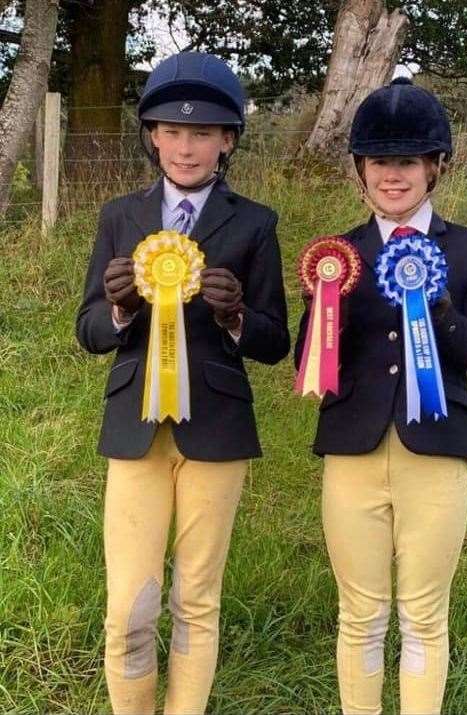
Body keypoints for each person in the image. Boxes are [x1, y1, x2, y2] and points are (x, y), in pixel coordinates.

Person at [76, 51, 289, 715]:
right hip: (133, 431)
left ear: (228, 140)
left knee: (197, 598)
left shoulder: (255, 223)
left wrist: (236, 317)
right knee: (130, 604)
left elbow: (277, 340)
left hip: (217, 431)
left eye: (202, 133)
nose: (185, 145)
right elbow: (86, 328)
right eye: (171, 129)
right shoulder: (119, 215)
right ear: (152, 135)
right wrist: (118, 309)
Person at [294, 77, 467, 715]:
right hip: (352, 452)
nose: (394, 175)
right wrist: (322, 307)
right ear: (361, 170)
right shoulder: (336, 256)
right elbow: (311, 364)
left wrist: (438, 309)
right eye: (381, 162)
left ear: (434, 167)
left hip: (436, 453)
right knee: (360, 614)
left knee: (423, 616)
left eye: (408, 161)